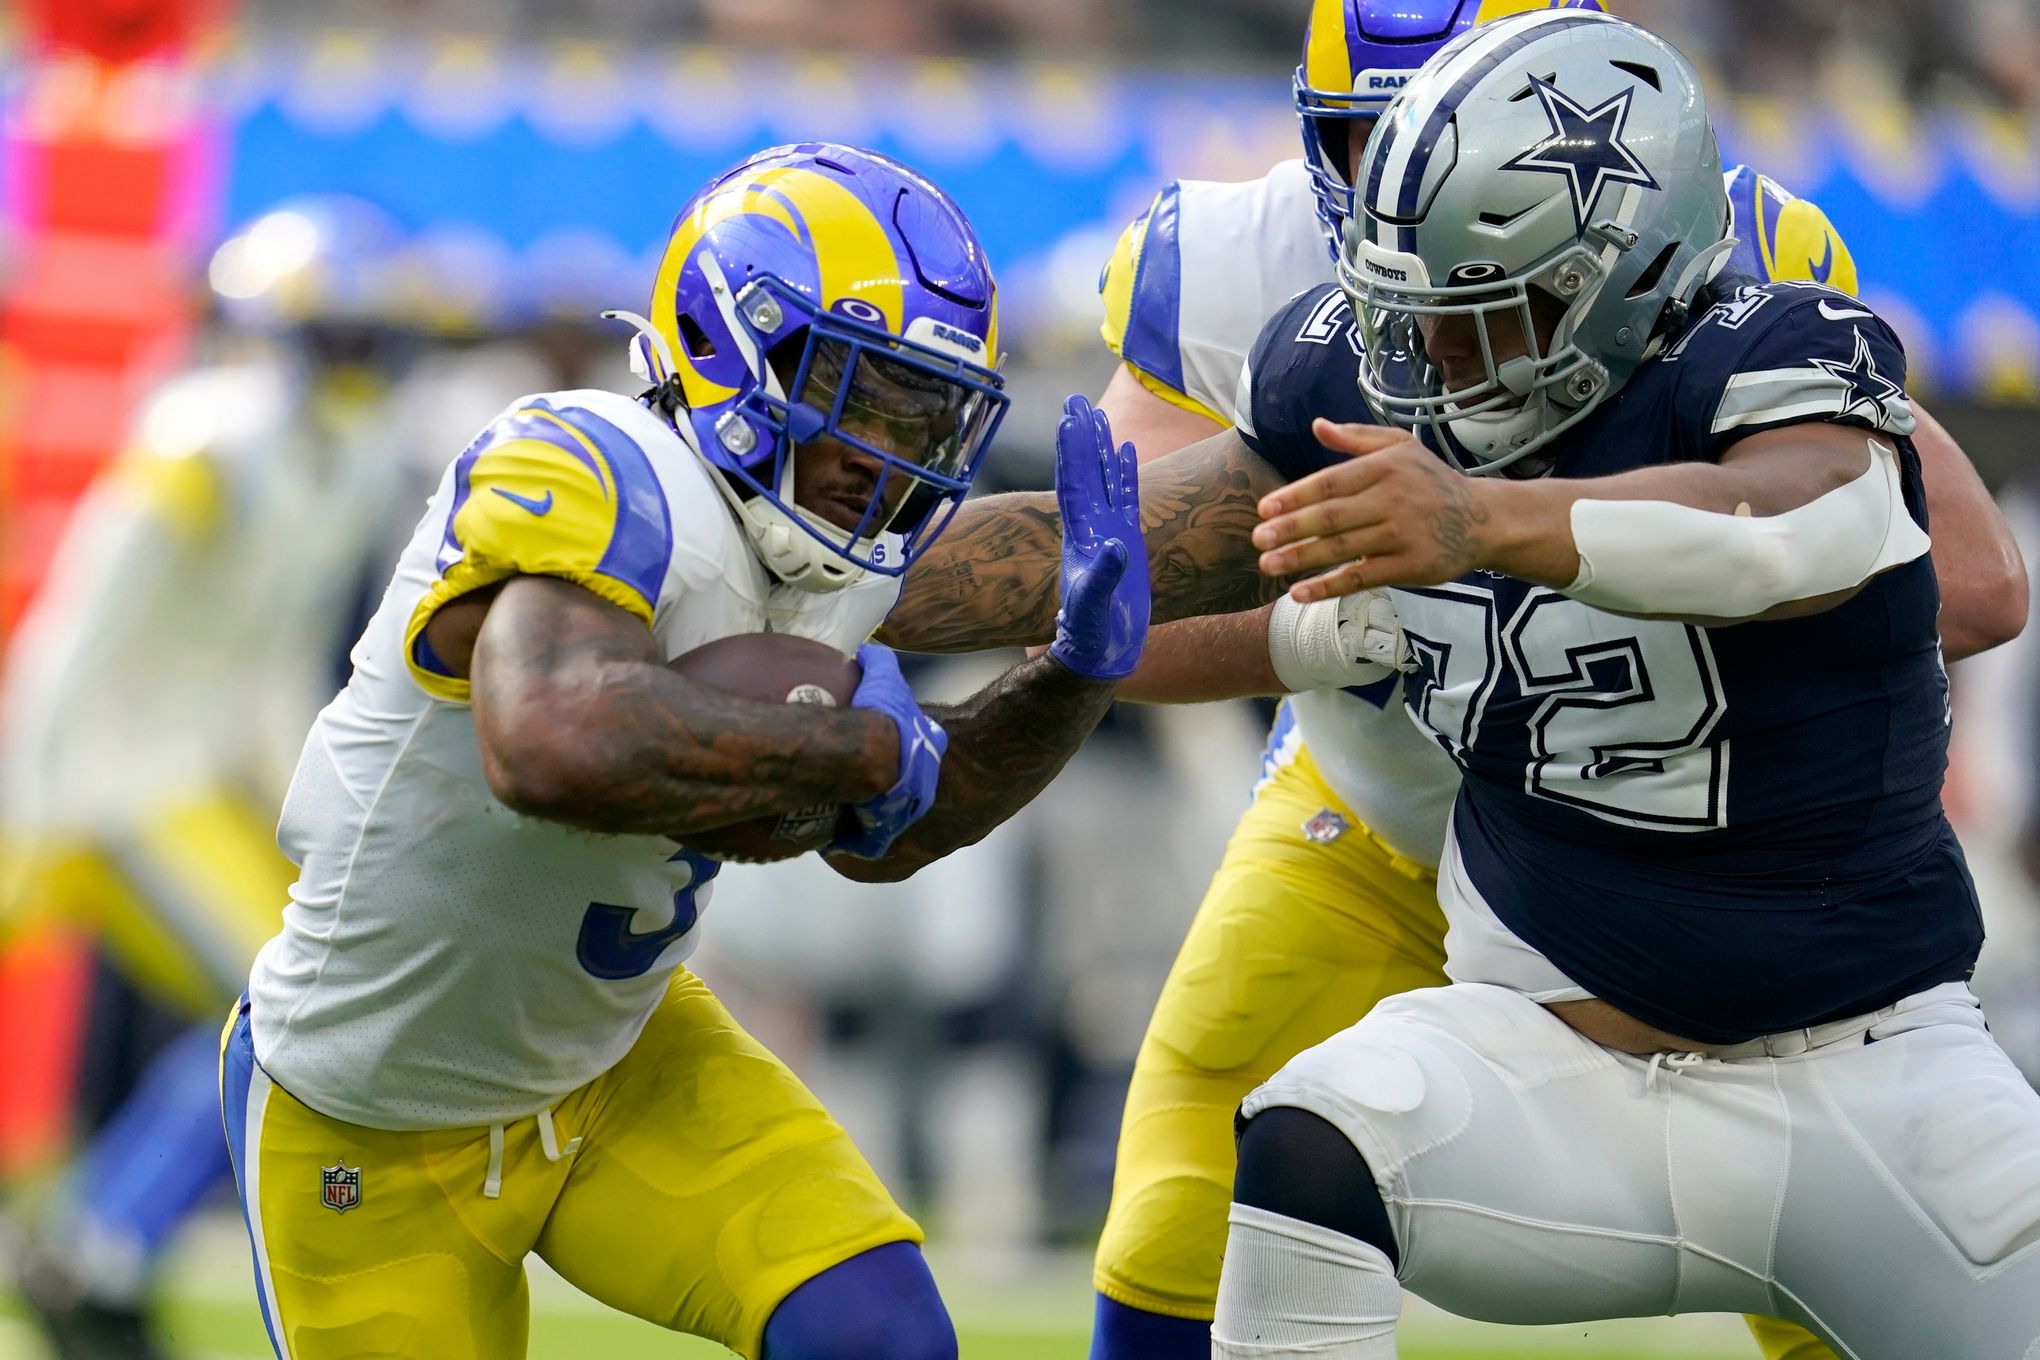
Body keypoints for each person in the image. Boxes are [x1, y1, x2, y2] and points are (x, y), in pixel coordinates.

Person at [1076, 1, 2024, 1356]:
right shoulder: (1243, 265)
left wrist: (1647, 599)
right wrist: (1360, 629)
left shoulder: (1728, 244)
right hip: (1378, 818)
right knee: (1190, 1197)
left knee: (1849, 1278)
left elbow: (1970, 582)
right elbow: (1132, 620)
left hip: (1712, 868)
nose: (1415, 187)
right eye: (1372, 140)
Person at [218, 142, 1149, 1360]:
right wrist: (856, 747)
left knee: (883, 1339)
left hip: (622, 1057)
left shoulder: (820, 553)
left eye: (923, 410)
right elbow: (550, 743)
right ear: (727, 343)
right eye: (862, 395)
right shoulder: (594, 460)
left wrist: (1075, 673)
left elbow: (907, 825)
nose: (891, 448)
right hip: (374, 1112)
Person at [0, 196, 422, 1360]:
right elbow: (81, 625)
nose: (355, 363)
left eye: (367, 338)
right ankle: (96, 1243)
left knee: (289, 1010)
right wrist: (32, 800)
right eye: (335, 338)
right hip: (98, 781)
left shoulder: (354, 464)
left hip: (176, 782)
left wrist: (308, 803)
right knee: (291, 1004)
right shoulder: (203, 440)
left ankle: (98, 1242)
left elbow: (271, 664)